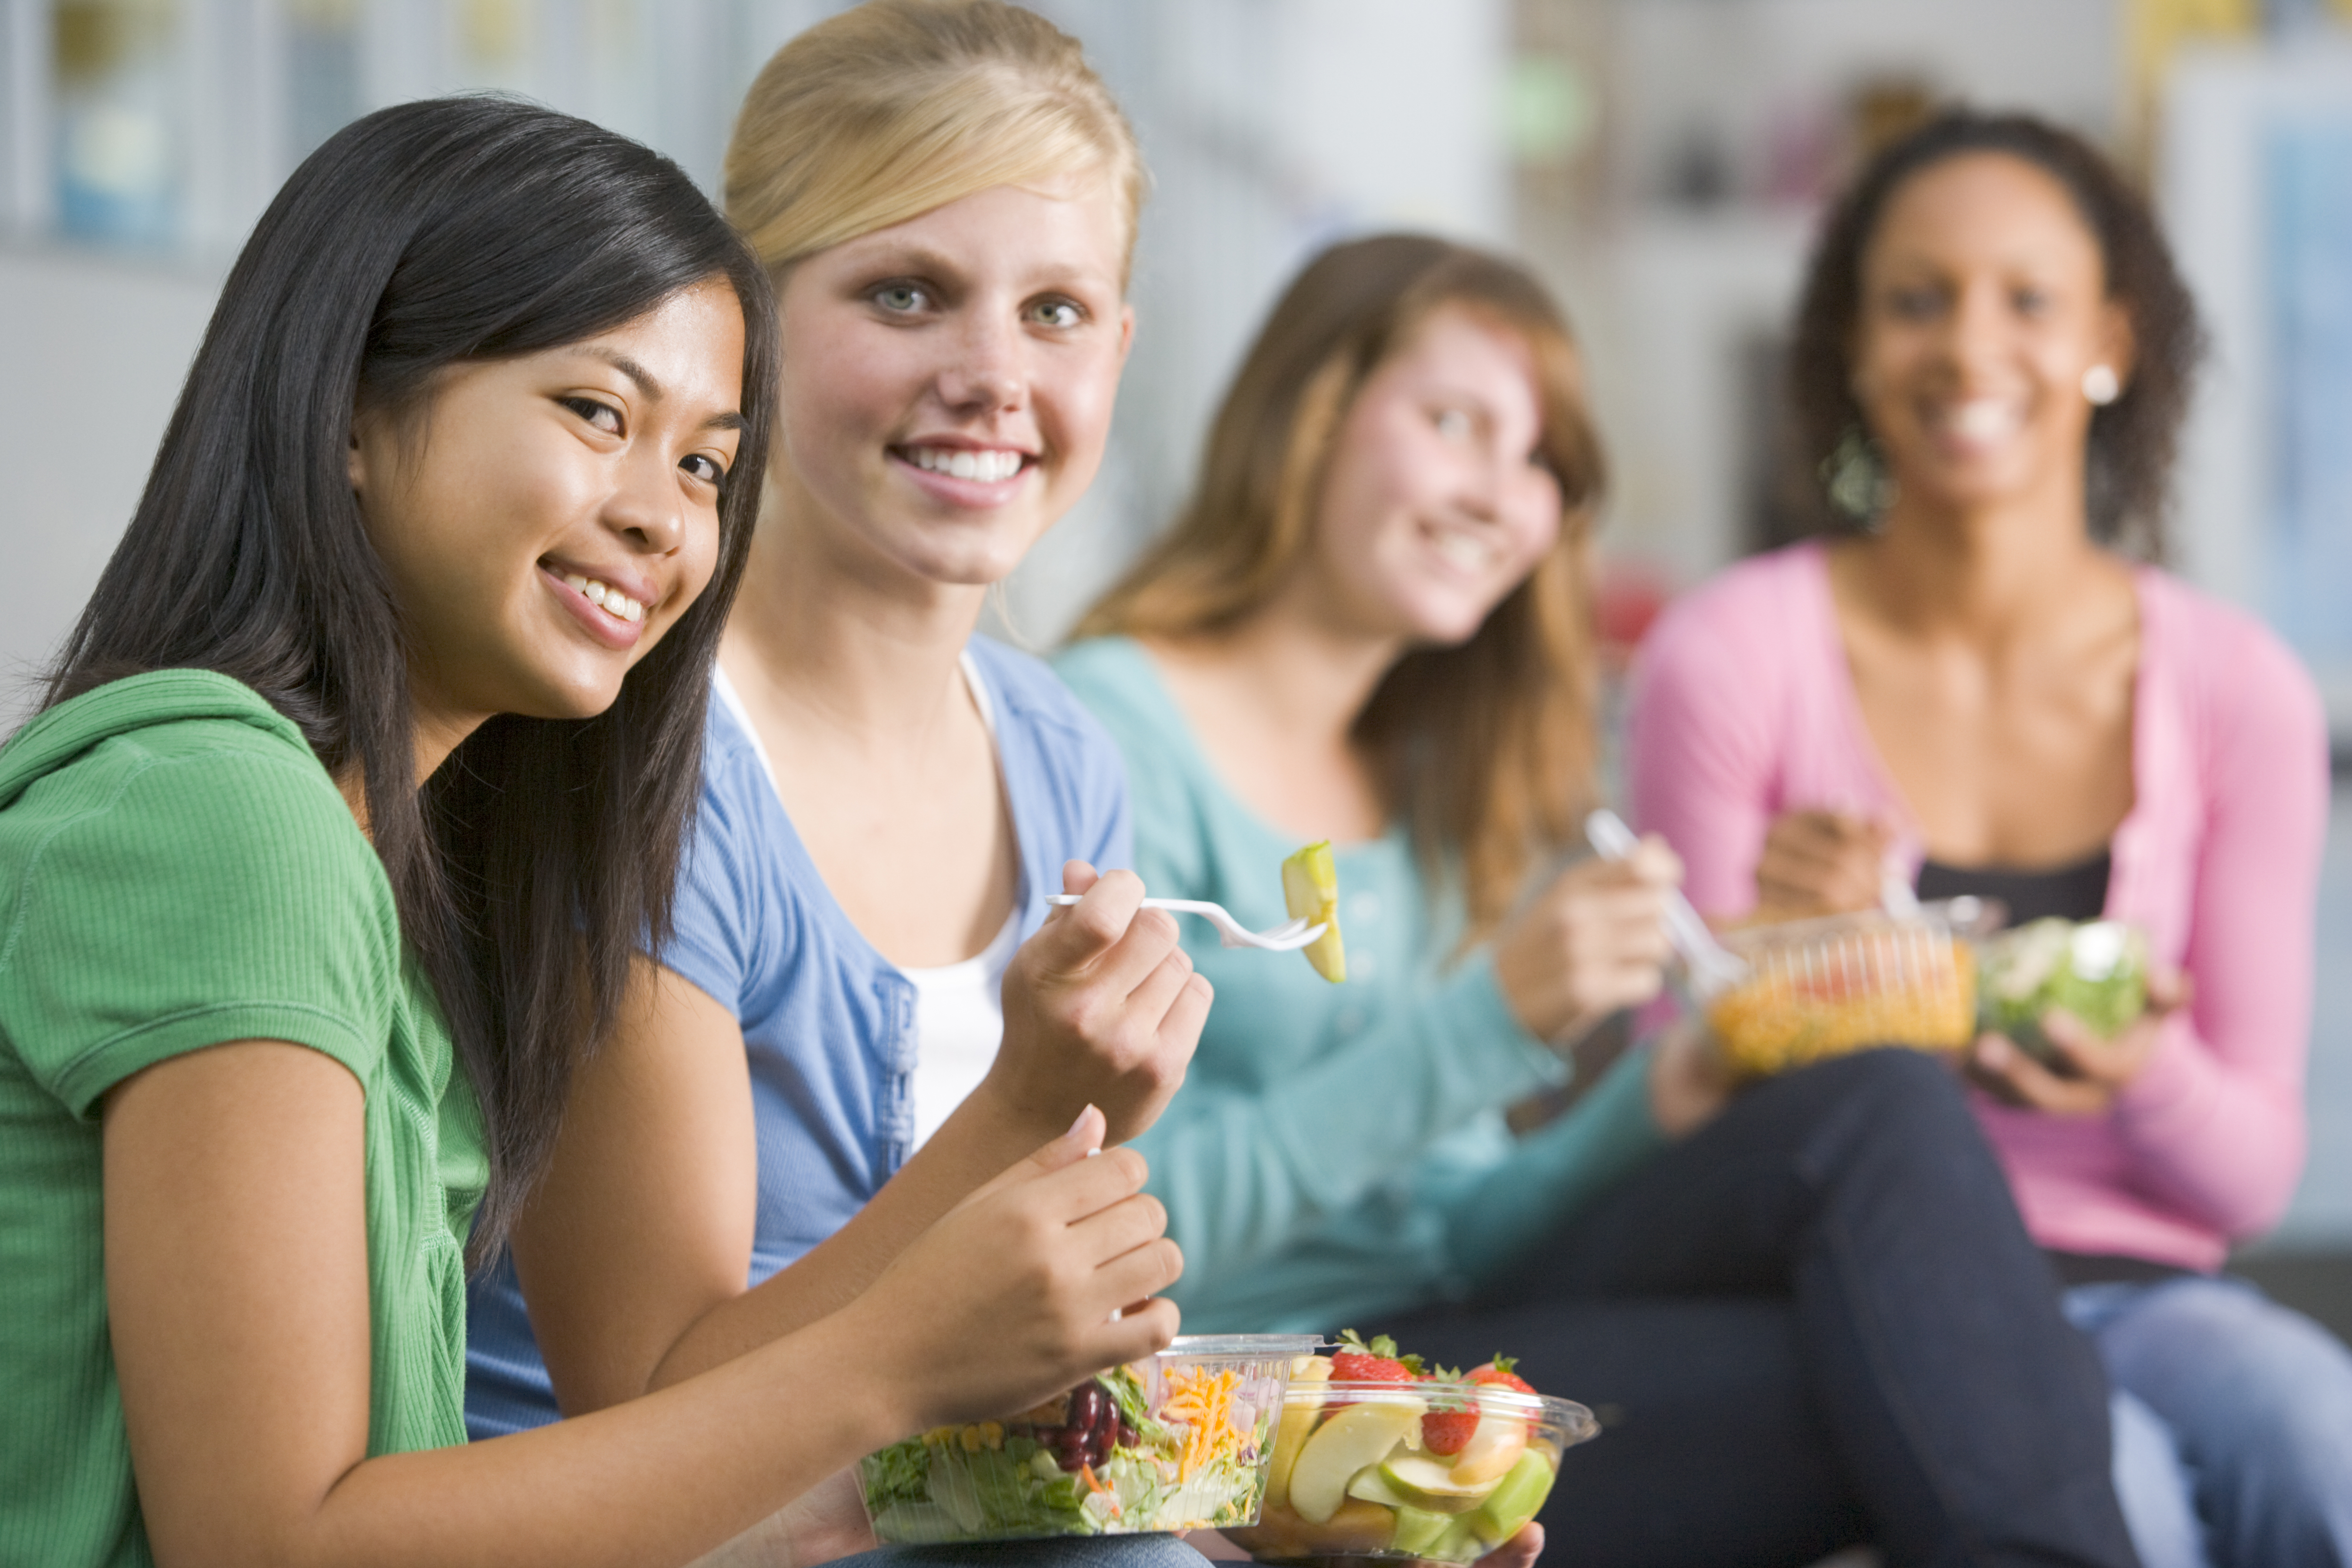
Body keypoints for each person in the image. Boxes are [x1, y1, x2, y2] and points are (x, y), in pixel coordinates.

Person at [0, 95, 1190, 1568]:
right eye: (598, 414)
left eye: (704, 464)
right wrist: (888, 1363)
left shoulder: (375, 847)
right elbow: (273, 1545)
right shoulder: (224, 818)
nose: (663, 518)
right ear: (348, 415)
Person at [1056, 231, 2143, 1568]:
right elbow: (1101, 1231)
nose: (1500, 495)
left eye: (1539, 463)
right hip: (1245, 1398)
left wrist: (1688, 1068)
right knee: (1958, 1383)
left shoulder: (1420, 792)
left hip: (1427, 1328)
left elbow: (1456, 1229)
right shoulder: (1111, 732)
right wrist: (1492, 1021)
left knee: (1890, 1132)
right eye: (1456, 423)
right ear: (1311, 413)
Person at [1627, 110, 2352, 1568]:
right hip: (1866, 1293)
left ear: (2113, 339)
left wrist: (2141, 1075)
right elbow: (1668, 1110)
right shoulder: (1730, 658)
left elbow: (2251, 1178)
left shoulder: (2238, 692)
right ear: (1848, 345)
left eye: (2026, 298)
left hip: (2151, 1288)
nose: (1969, 348)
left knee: (2319, 1437)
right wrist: (1787, 971)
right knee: (2125, 1500)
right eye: (1916, 299)